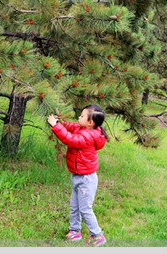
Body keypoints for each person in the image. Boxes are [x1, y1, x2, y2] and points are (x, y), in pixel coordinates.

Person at [47, 104, 108, 246]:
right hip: (78, 175)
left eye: (81, 116)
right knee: (74, 206)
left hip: (86, 179)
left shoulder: (88, 136)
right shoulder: (84, 128)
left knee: (85, 209)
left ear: (90, 123)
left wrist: (55, 126)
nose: (78, 118)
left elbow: (69, 139)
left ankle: (97, 235)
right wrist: (62, 123)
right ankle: (75, 231)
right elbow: (72, 126)